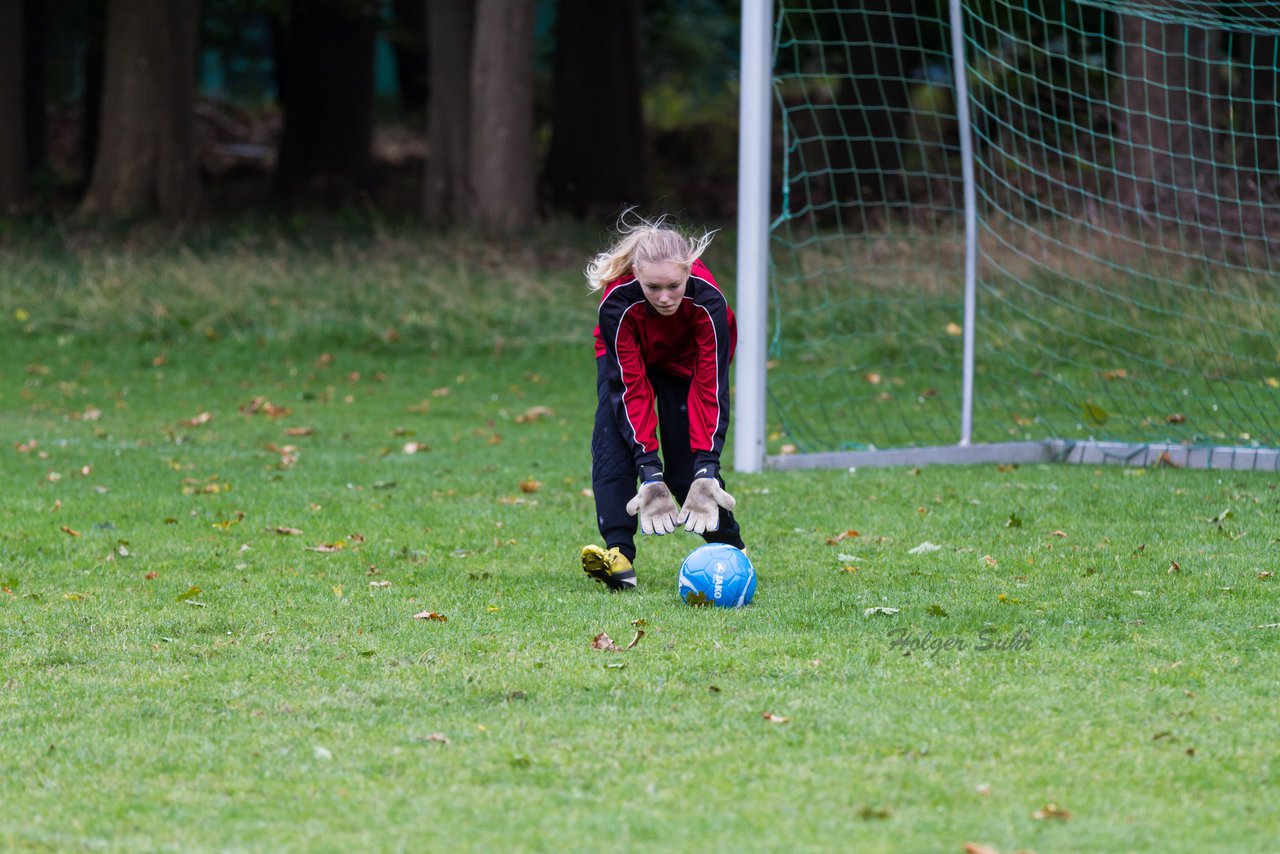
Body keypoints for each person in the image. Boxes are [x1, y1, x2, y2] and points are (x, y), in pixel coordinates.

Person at [580, 211, 746, 590]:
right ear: (636, 273)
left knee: (690, 466)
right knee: (612, 439)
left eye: (674, 285)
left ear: (689, 271)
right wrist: (648, 471)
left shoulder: (709, 303)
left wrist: (707, 466)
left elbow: (711, 388)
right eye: (653, 287)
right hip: (630, 356)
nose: (665, 297)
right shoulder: (617, 304)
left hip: (686, 361)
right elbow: (631, 390)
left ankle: (731, 549)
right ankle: (618, 554)